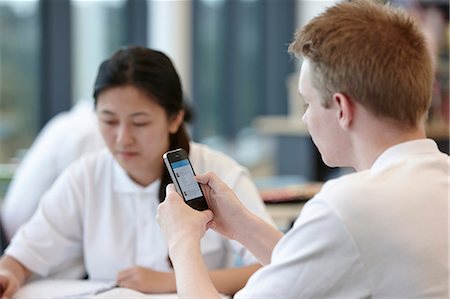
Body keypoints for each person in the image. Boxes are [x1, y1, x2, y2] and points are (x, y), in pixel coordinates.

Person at [156, 0, 449, 298]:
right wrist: (243, 226)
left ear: (342, 108)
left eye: (307, 103)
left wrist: (181, 240)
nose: (305, 118)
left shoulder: (347, 207)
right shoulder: (438, 180)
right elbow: (319, 270)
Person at [0, 46, 274, 298]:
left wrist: (168, 282)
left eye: (139, 123)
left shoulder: (219, 174)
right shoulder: (85, 176)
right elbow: (23, 256)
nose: (122, 138)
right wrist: (9, 273)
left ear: (175, 118)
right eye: (108, 120)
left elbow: (269, 266)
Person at [1, 100, 104, 242]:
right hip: (24, 242)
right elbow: (91, 215)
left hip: (21, 235)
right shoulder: (88, 133)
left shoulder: (70, 121)